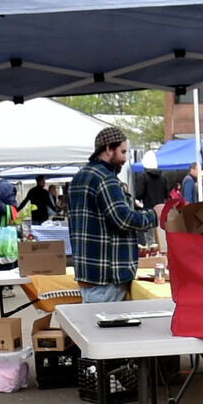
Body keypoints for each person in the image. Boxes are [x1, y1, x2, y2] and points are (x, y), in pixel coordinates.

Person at [68, 126, 158, 302]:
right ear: (109, 148)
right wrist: (155, 214)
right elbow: (123, 219)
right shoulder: (105, 179)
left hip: (90, 273)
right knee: (107, 328)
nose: (125, 158)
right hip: (107, 276)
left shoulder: (80, 177)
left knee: (93, 327)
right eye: (123, 151)